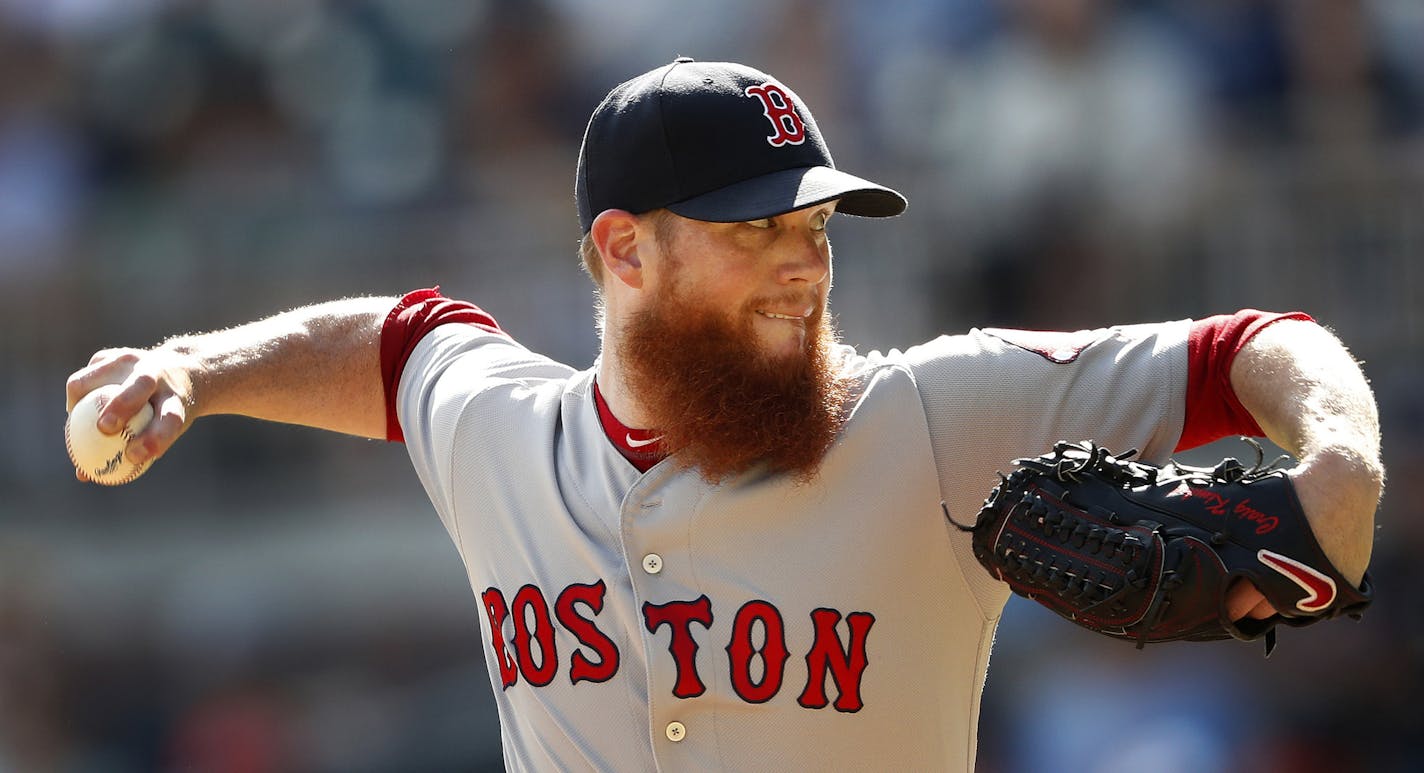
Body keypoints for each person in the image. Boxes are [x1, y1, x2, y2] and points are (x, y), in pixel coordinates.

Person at [65, 58, 1382, 771]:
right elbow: (391, 343)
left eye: (813, 223)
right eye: (756, 228)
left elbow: (1259, 345)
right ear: (624, 252)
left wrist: (1338, 464)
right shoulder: (501, 430)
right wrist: (192, 366)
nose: (803, 259)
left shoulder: (934, 413)